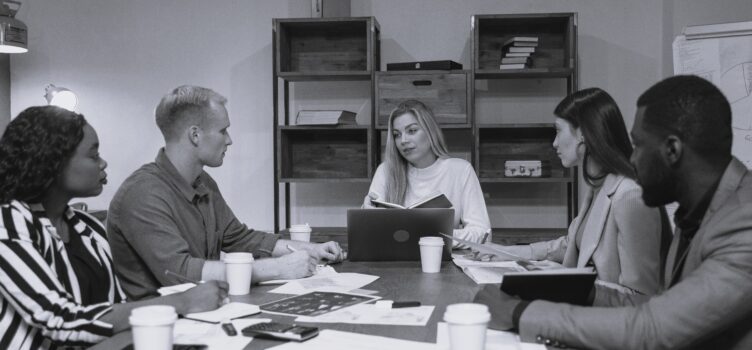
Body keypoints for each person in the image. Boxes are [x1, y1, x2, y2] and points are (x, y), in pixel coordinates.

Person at [474, 75, 752, 349]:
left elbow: (653, 329)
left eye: (639, 145)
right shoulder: (703, 207)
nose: (632, 159)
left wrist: (520, 314)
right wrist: (572, 289)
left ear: (672, 150)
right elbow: (661, 305)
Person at [0, 106, 227, 349]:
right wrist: (181, 302)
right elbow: (61, 320)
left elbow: (115, 307)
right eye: (93, 155)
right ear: (53, 161)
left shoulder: (87, 227)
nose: (103, 162)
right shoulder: (9, 225)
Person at [107, 86, 344, 300]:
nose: (229, 140)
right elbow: (181, 273)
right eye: (223, 131)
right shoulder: (142, 194)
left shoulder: (203, 182)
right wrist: (280, 268)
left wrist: (311, 249)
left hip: (206, 312)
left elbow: (240, 239)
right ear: (195, 135)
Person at [479, 88, 671, 301]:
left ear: (583, 134)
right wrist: (509, 252)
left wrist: (564, 287)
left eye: (559, 131)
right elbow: (571, 244)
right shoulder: (598, 186)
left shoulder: (630, 196)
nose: (554, 143)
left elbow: (640, 298)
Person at [362, 100, 490, 247]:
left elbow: (482, 234)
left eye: (412, 131)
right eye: (397, 134)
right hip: (395, 262)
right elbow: (369, 235)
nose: (403, 140)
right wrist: (367, 218)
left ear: (430, 131)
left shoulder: (460, 170)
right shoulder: (386, 171)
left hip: (443, 263)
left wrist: (430, 236)